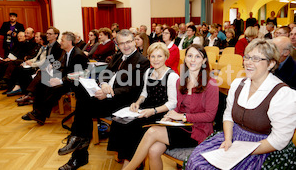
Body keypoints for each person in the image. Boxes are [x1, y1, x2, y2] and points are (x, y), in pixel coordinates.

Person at [186, 39, 296, 170]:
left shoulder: (283, 94)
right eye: (247, 57)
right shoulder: (238, 84)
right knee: (196, 161)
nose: (248, 62)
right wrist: (228, 140)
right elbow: (228, 116)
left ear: (271, 64)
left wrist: (243, 151)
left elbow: (279, 140)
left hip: (263, 148)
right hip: (234, 138)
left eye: (256, 59)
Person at [57, 29, 150, 170]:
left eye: (129, 42)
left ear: (134, 42)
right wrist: (104, 84)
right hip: (108, 97)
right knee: (82, 97)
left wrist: (108, 93)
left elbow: (133, 88)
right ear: (117, 44)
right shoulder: (118, 56)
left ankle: (78, 147)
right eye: (122, 43)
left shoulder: (142, 61)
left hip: (123, 101)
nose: (126, 46)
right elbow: (105, 74)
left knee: (83, 106)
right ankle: (78, 142)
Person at [123, 44, 219, 170]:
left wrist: (182, 116)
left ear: (204, 60)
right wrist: (168, 116)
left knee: (152, 131)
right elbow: (178, 107)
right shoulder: (181, 81)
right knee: (153, 150)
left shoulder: (211, 84)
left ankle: (128, 169)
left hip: (198, 131)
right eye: (189, 56)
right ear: (185, 59)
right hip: (182, 126)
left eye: (197, 56)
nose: (193, 60)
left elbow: (210, 116)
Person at [108, 42, 179, 168]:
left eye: (159, 56)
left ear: (166, 57)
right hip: (146, 108)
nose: (156, 60)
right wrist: (137, 102)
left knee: (133, 127)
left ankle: (129, 163)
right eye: (152, 56)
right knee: (119, 122)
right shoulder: (149, 72)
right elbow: (144, 93)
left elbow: (172, 103)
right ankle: (127, 157)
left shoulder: (172, 76)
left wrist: (153, 111)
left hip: (161, 112)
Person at [21, 31, 88, 125]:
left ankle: (39, 114)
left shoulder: (78, 55)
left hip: (74, 82)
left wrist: (59, 80)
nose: (60, 42)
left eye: (62, 40)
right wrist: (49, 70)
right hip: (65, 77)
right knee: (42, 79)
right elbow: (60, 65)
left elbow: (77, 75)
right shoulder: (66, 52)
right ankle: (36, 110)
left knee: (53, 87)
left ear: (69, 42)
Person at [15, 26, 63, 105]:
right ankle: (31, 96)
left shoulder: (58, 47)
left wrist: (45, 68)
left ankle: (30, 95)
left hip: (56, 71)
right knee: (33, 72)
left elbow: (57, 62)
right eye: (47, 33)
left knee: (41, 74)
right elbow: (48, 61)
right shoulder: (49, 46)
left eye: (50, 34)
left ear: (56, 35)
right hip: (48, 69)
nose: (47, 35)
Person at [7, 32, 48, 97]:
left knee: (24, 70)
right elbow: (36, 58)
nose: (39, 40)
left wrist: (32, 64)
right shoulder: (42, 48)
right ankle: (17, 87)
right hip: (35, 64)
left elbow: (42, 62)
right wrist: (28, 61)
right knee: (20, 67)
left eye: (40, 39)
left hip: (39, 66)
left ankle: (27, 91)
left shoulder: (48, 49)